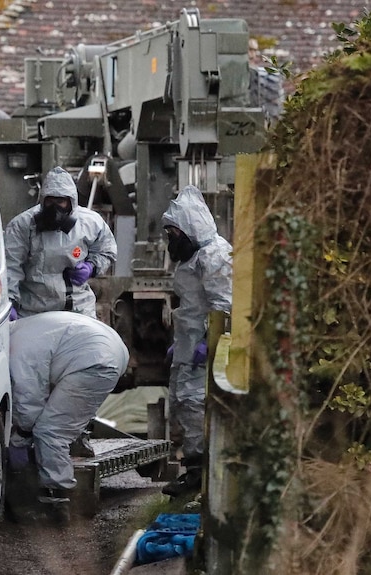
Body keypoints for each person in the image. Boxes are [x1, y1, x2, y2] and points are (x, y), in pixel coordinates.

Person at [8, 311, 130, 523]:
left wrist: (20, 438)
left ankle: (58, 497)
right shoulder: (21, 329)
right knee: (58, 421)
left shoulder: (15, 350)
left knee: (50, 431)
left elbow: (29, 398)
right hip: (109, 349)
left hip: (94, 362)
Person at [160, 185, 233, 497]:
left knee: (194, 405)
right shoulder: (192, 258)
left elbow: (224, 304)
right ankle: (193, 470)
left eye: (174, 233)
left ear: (189, 228)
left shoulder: (214, 256)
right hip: (190, 343)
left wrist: (208, 341)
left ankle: (198, 475)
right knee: (181, 402)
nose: (170, 240)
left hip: (204, 347)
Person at [5, 166, 117, 320]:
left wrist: (91, 266)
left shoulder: (90, 223)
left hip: (78, 310)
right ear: (42, 200)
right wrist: (9, 302)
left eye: (60, 201)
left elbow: (107, 250)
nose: (55, 207)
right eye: (50, 200)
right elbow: (10, 267)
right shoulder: (22, 226)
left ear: (71, 202)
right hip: (33, 313)